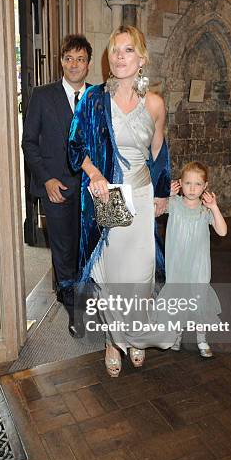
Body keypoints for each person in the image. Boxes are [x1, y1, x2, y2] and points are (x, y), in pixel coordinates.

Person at [68, 25, 171, 377]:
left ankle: (136, 336)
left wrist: (162, 193)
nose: (120, 57)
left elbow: (159, 153)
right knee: (113, 276)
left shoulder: (155, 103)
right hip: (111, 196)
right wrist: (95, 174)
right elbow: (75, 147)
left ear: (141, 59)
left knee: (140, 276)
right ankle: (113, 341)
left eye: (128, 51)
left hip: (141, 198)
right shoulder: (94, 99)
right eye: (115, 51)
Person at [22, 34, 92, 337]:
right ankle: (73, 308)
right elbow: (29, 143)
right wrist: (47, 179)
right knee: (63, 249)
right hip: (56, 186)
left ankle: (87, 296)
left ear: (88, 64)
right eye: (68, 58)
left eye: (80, 59)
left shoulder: (98, 96)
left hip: (92, 189)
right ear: (60, 61)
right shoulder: (42, 95)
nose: (73, 64)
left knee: (87, 246)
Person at [164, 162, 227, 357]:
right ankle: (177, 334)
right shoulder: (173, 204)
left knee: (198, 299)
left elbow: (222, 232)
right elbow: (151, 211)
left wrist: (215, 208)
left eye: (198, 184)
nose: (192, 188)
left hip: (198, 266)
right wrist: (165, 196)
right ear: (180, 183)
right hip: (177, 265)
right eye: (188, 183)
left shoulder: (206, 210)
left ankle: (202, 338)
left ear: (205, 186)